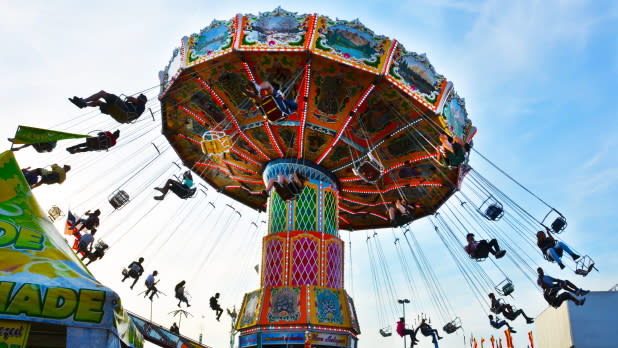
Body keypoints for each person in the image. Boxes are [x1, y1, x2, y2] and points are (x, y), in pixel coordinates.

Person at [69, 91, 148, 123]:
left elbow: (131, 98)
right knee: (99, 103)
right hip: (120, 116)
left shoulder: (142, 104)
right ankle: (84, 104)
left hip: (123, 111)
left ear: (142, 99)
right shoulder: (136, 108)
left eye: (139, 97)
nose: (138, 98)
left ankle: (84, 101)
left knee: (103, 93)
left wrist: (128, 100)